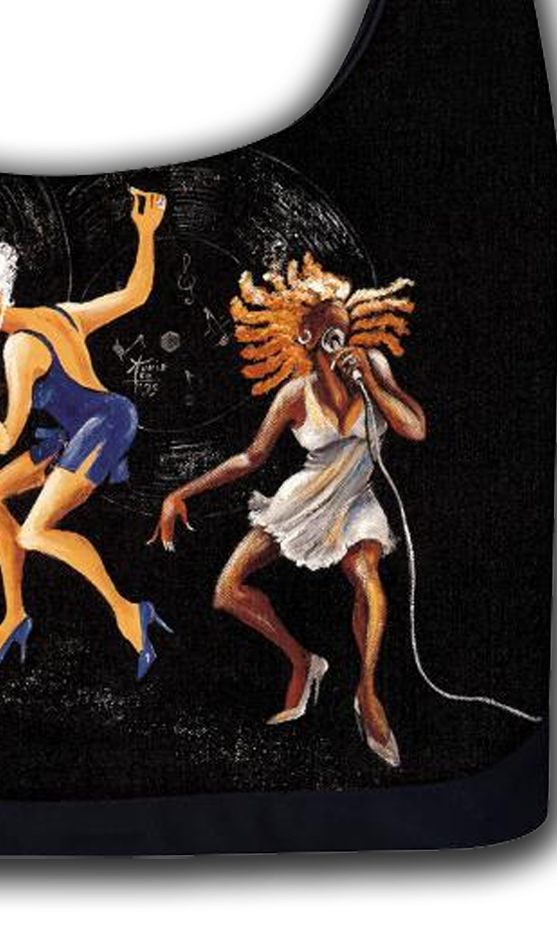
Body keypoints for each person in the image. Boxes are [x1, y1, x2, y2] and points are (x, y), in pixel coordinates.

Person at [149, 253, 426, 766]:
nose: (340, 334)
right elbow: (251, 457)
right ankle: (304, 661)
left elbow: (414, 429)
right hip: (304, 500)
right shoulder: (295, 395)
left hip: (356, 501)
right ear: (306, 336)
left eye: (344, 326)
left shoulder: (372, 366)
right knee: (226, 590)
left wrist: (370, 382)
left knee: (365, 574)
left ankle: (368, 694)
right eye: (328, 328)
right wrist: (180, 493)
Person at [0, 187, 172, 678]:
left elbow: (4, 439)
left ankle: (130, 612)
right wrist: (146, 233)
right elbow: (136, 294)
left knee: (34, 531)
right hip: (79, 429)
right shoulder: (58, 313)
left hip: (103, 426)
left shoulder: (19, 347)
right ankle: (14, 616)